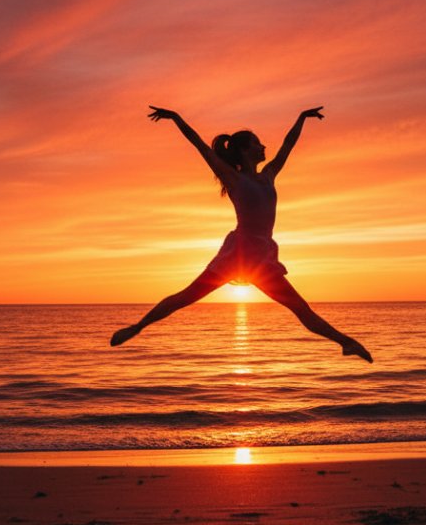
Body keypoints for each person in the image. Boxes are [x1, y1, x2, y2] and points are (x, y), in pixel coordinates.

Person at [111, 106, 373, 362]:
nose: (264, 147)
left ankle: (346, 343)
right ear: (246, 151)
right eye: (258, 143)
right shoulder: (232, 178)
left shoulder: (269, 175)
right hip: (236, 256)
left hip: (262, 259)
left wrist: (302, 118)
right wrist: (177, 118)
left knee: (300, 308)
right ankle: (136, 328)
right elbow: (198, 145)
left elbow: (288, 145)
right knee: (186, 297)